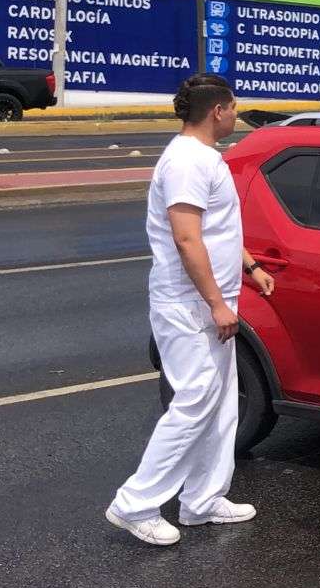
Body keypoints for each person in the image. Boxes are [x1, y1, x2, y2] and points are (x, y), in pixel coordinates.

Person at [105, 74, 275, 547]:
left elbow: (217, 230)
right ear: (217, 110)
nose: (236, 114)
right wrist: (217, 303)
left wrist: (251, 267)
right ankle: (134, 503)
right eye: (233, 107)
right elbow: (186, 238)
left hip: (211, 300)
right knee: (195, 401)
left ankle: (202, 500)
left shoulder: (204, 159)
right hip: (188, 304)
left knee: (221, 402)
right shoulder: (184, 163)